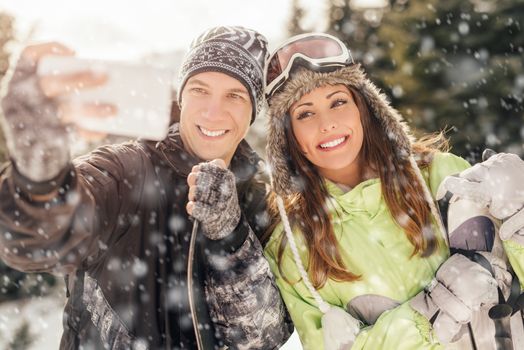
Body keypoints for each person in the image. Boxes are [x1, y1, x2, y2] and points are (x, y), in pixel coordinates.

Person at [0, 26, 291, 349]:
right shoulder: (125, 171)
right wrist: (39, 167)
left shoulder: (262, 205)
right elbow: (37, 238)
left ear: (252, 111)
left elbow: (264, 338)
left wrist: (230, 235)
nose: (213, 111)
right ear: (181, 95)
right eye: (199, 89)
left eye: (234, 95)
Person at [262, 32, 524, 349]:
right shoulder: (293, 248)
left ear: (364, 107)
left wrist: (519, 216)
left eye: (338, 102)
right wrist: (423, 318)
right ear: (288, 137)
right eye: (305, 113)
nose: (327, 123)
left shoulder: (442, 175)